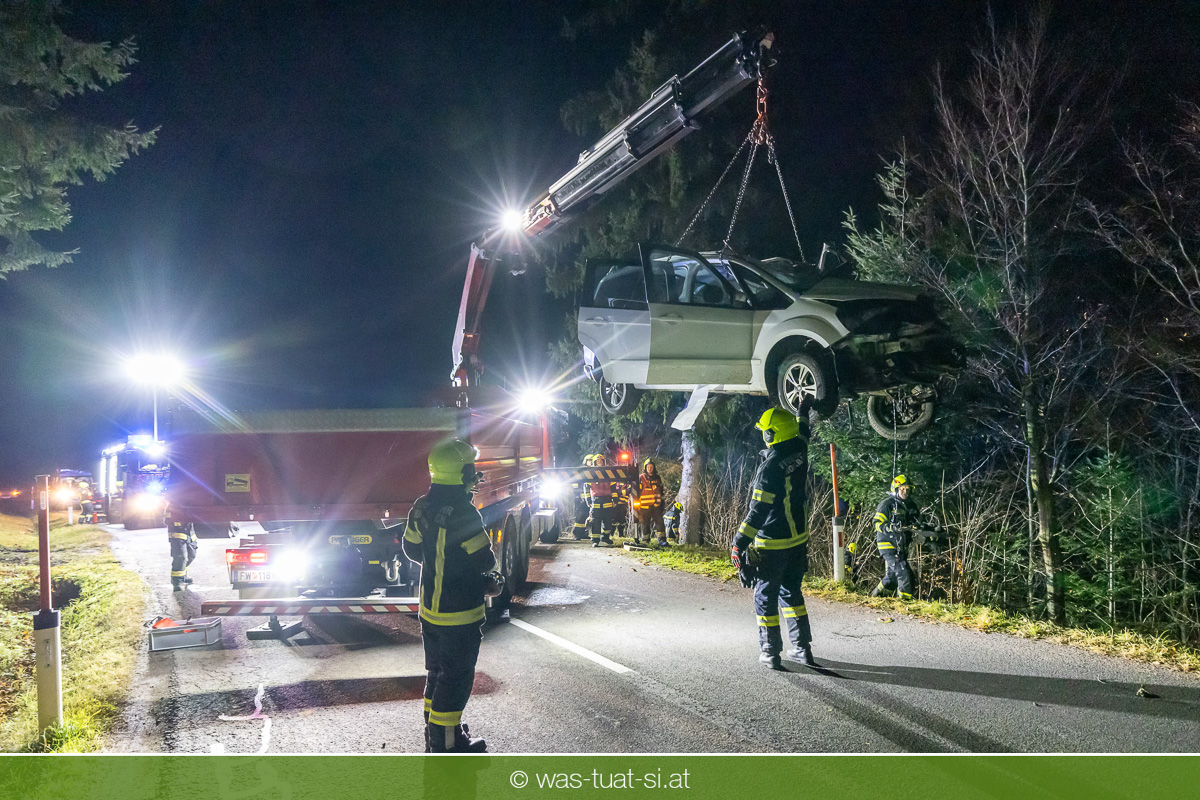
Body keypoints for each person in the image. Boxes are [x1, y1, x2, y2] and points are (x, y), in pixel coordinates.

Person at [403, 437, 496, 753]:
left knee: (437, 673)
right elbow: (485, 559)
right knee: (456, 679)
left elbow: (411, 548)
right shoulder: (464, 513)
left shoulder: (421, 506)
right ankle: (446, 744)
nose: (475, 474)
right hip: (460, 614)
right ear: (461, 472)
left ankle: (437, 731)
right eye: (472, 468)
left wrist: (437, 561)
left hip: (430, 611)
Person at [731, 401, 815, 669]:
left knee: (765, 598)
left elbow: (758, 512)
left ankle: (770, 652)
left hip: (773, 545)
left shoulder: (769, 469)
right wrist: (803, 411)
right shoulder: (799, 448)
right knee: (791, 593)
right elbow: (803, 431)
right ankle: (802, 648)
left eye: (764, 432)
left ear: (771, 434)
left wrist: (738, 543)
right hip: (798, 541)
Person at [871, 474, 919, 600]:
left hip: (901, 546)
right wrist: (890, 528)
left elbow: (917, 523)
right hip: (887, 544)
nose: (905, 492)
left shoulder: (911, 506)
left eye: (907, 489)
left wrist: (930, 533)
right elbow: (877, 523)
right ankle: (904, 602)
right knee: (903, 572)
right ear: (896, 489)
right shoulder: (887, 504)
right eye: (902, 489)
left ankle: (875, 595)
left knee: (892, 577)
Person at [633, 459, 668, 547]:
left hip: (656, 505)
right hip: (644, 506)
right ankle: (645, 540)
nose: (649, 469)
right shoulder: (641, 478)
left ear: (654, 468)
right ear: (645, 468)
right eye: (648, 467)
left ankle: (662, 541)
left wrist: (662, 504)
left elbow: (661, 491)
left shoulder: (657, 478)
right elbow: (636, 491)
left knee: (660, 522)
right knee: (645, 523)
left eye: (651, 467)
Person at [588, 454, 615, 547]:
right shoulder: (591, 473)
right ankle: (595, 540)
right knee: (595, 521)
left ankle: (605, 537)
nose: (599, 462)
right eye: (598, 461)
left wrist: (615, 499)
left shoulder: (608, 472)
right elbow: (586, 487)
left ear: (604, 462)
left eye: (601, 461)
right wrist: (588, 500)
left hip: (607, 500)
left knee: (608, 520)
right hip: (596, 500)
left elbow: (613, 487)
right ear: (595, 462)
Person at [168, 520, 198, 591]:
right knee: (181, 558)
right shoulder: (172, 511)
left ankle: (183, 575)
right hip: (177, 535)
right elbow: (167, 519)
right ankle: (177, 581)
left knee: (191, 555)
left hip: (190, 534)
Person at [571, 454, 596, 540]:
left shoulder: (597, 471)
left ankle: (585, 533)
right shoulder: (581, 471)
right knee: (580, 516)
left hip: (592, 498)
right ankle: (577, 534)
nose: (590, 462)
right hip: (582, 499)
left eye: (592, 461)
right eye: (589, 460)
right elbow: (575, 484)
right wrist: (577, 495)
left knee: (588, 516)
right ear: (585, 462)